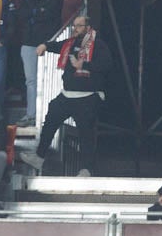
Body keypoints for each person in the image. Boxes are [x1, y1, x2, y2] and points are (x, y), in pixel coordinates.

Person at [34, 13, 109, 175]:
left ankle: (86, 168)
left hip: (87, 96)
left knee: (85, 133)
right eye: (74, 25)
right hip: (67, 94)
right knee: (51, 117)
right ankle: (39, 157)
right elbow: (56, 46)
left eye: (79, 26)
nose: (75, 29)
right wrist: (45, 46)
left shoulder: (99, 45)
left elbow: (106, 64)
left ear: (88, 28)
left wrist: (85, 64)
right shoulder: (69, 43)